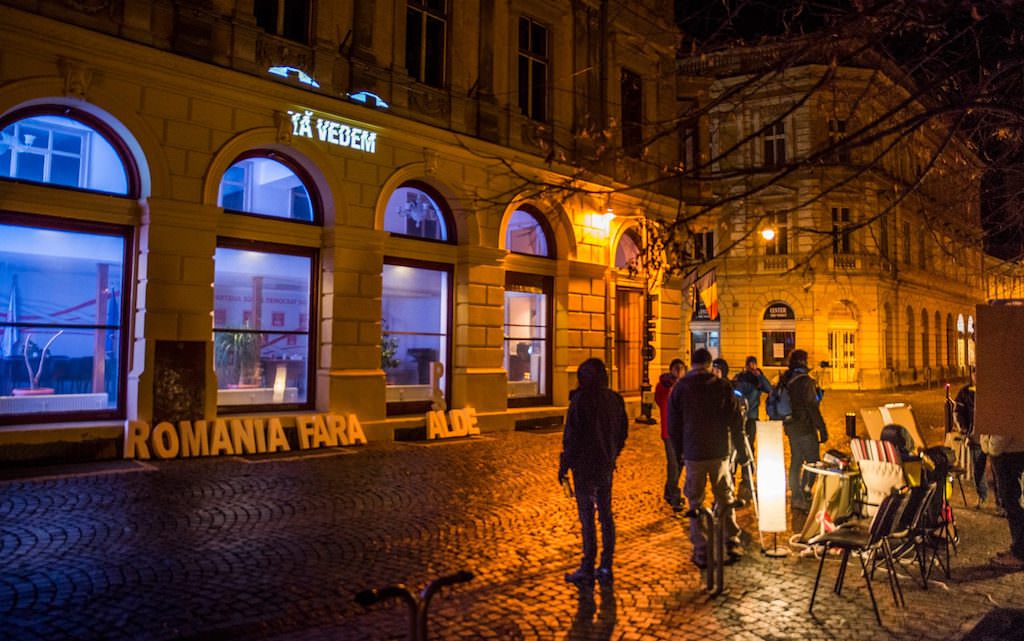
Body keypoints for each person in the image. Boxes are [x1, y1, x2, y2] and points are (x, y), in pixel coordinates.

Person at [667, 348, 746, 569]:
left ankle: (701, 548)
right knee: (724, 496)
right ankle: (731, 540)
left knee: (695, 500)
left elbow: (673, 425)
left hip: (693, 453)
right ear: (710, 364)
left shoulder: (680, 387)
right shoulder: (721, 386)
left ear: (692, 364)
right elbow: (735, 421)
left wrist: (680, 452)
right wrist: (741, 450)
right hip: (719, 451)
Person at [559, 358, 628, 586]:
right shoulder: (614, 400)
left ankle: (588, 565)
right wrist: (613, 453)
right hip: (605, 465)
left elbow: (572, 438)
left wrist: (565, 464)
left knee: (587, 517)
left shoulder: (580, 401)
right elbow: (622, 432)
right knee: (606, 515)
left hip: (584, 467)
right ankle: (606, 565)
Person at [778, 349, 828, 512]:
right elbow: (812, 407)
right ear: (804, 361)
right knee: (813, 461)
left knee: (796, 461)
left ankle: (796, 495)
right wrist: (822, 427)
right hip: (806, 427)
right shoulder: (806, 381)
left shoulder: (786, 378)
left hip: (791, 427)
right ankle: (805, 491)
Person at [981, 432, 1024, 570]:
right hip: (1008, 451)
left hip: (1009, 452)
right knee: (1010, 500)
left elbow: (1005, 428)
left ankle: (1019, 553)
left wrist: (990, 447)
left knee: (1012, 501)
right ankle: (1017, 548)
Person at [733, 356, 773, 500]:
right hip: (739, 417)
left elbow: (769, 389)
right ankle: (732, 475)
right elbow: (735, 392)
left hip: (752, 417)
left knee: (750, 447)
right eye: (749, 365)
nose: (752, 367)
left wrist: (760, 377)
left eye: (754, 364)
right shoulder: (740, 378)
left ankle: (747, 476)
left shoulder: (758, 380)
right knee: (736, 447)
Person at [955, 368, 994, 509]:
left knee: (998, 471)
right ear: (971, 374)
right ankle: (982, 497)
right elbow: (958, 412)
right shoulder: (965, 393)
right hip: (975, 437)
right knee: (978, 469)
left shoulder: (991, 390)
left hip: (992, 437)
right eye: (974, 372)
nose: (976, 376)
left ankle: (1001, 503)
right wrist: (965, 430)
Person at [654, 358, 686, 512]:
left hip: (683, 432)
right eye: (676, 369)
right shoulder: (664, 386)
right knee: (673, 464)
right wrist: (669, 386)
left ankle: (668, 490)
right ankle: (674, 496)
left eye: (681, 369)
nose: (679, 372)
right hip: (669, 432)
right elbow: (660, 400)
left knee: (680, 463)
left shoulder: (686, 386)